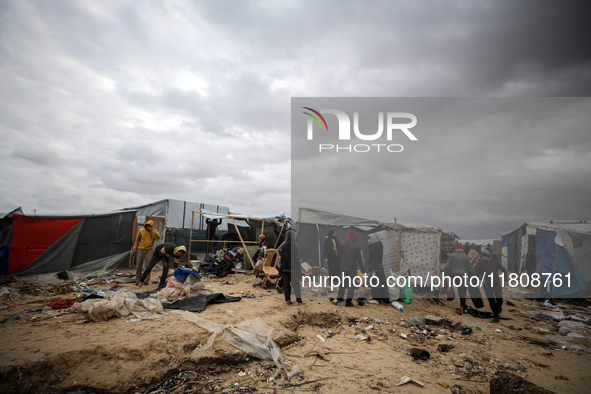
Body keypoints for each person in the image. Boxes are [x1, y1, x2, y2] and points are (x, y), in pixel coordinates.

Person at [334, 229, 366, 307]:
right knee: (351, 284)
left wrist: (339, 266)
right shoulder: (357, 245)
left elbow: (339, 257)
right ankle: (348, 302)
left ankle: (339, 298)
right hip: (352, 268)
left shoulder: (342, 243)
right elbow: (360, 258)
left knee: (342, 283)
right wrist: (363, 268)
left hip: (343, 267)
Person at [477, 249, 508, 322]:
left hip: (496, 283)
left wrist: (505, 280)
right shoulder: (481, 263)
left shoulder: (495, 262)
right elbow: (477, 272)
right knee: (491, 300)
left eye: (483, 256)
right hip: (487, 284)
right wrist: (482, 278)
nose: (482, 258)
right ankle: (496, 316)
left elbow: (504, 270)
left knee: (499, 299)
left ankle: (499, 306)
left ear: (487, 256)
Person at [442, 242, 473, 313]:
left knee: (456, 288)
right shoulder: (466, 257)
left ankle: (460, 303)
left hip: (455, 275)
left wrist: (445, 275)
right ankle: (462, 306)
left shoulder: (451, 256)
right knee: (463, 290)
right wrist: (472, 276)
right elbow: (470, 268)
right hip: (463, 276)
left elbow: (447, 267)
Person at [132, 220, 160, 285]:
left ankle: (146, 281)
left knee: (148, 266)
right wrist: (134, 249)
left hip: (149, 250)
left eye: (150, 226)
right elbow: (136, 240)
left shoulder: (154, 231)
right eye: (147, 226)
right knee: (139, 265)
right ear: (146, 225)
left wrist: (152, 231)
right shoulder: (141, 231)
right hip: (141, 249)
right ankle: (138, 280)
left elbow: (157, 238)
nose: (148, 227)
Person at [279, 230, 303, 305]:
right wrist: (300, 272)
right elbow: (297, 259)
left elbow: (282, 258)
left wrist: (281, 270)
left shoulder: (284, 245)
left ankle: (288, 300)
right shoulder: (295, 245)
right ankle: (299, 301)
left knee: (286, 285)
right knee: (296, 285)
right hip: (293, 269)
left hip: (285, 269)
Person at [368, 233, 389, 304]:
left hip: (376, 268)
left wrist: (373, 269)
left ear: (373, 239)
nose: (368, 241)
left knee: (375, 283)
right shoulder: (379, 246)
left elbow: (374, 259)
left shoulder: (374, 247)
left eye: (369, 239)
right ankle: (383, 299)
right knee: (381, 283)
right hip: (380, 268)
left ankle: (376, 299)